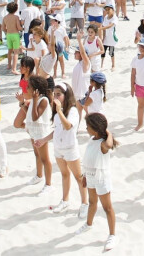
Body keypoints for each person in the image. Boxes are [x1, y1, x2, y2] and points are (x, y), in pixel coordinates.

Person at [77, 113, 119, 251]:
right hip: (90, 176)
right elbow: (88, 158)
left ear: (95, 128)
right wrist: (85, 176)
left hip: (101, 178)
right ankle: (88, 224)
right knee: (92, 202)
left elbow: (109, 144)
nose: (86, 128)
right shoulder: (92, 139)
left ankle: (112, 235)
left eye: (88, 126)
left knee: (107, 207)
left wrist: (107, 131)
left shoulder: (103, 143)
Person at [45, 82, 87, 217]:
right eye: (54, 94)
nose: (55, 97)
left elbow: (68, 126)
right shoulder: (57, 112)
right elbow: (56, 130)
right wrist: (43, 140)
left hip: (70, 148)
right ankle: (65, 200)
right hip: (58, 148)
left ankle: (85, 203)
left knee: (79, 177)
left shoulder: (73, 111)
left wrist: (58, 111)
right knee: (64, 174)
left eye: (59, 94)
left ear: (66, 95)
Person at [15, 75, 54, 195]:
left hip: (41, 133)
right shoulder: (33, 100)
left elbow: (35, 117)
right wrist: (22, 103)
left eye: (29, 87)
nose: (26, 89)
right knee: (37, 155)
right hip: (34, 131)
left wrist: (35, 100)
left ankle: (48, 184)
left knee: (45, 159)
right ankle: (39, 175)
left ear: (36, 90)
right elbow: (29, 115)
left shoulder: (43, 100)